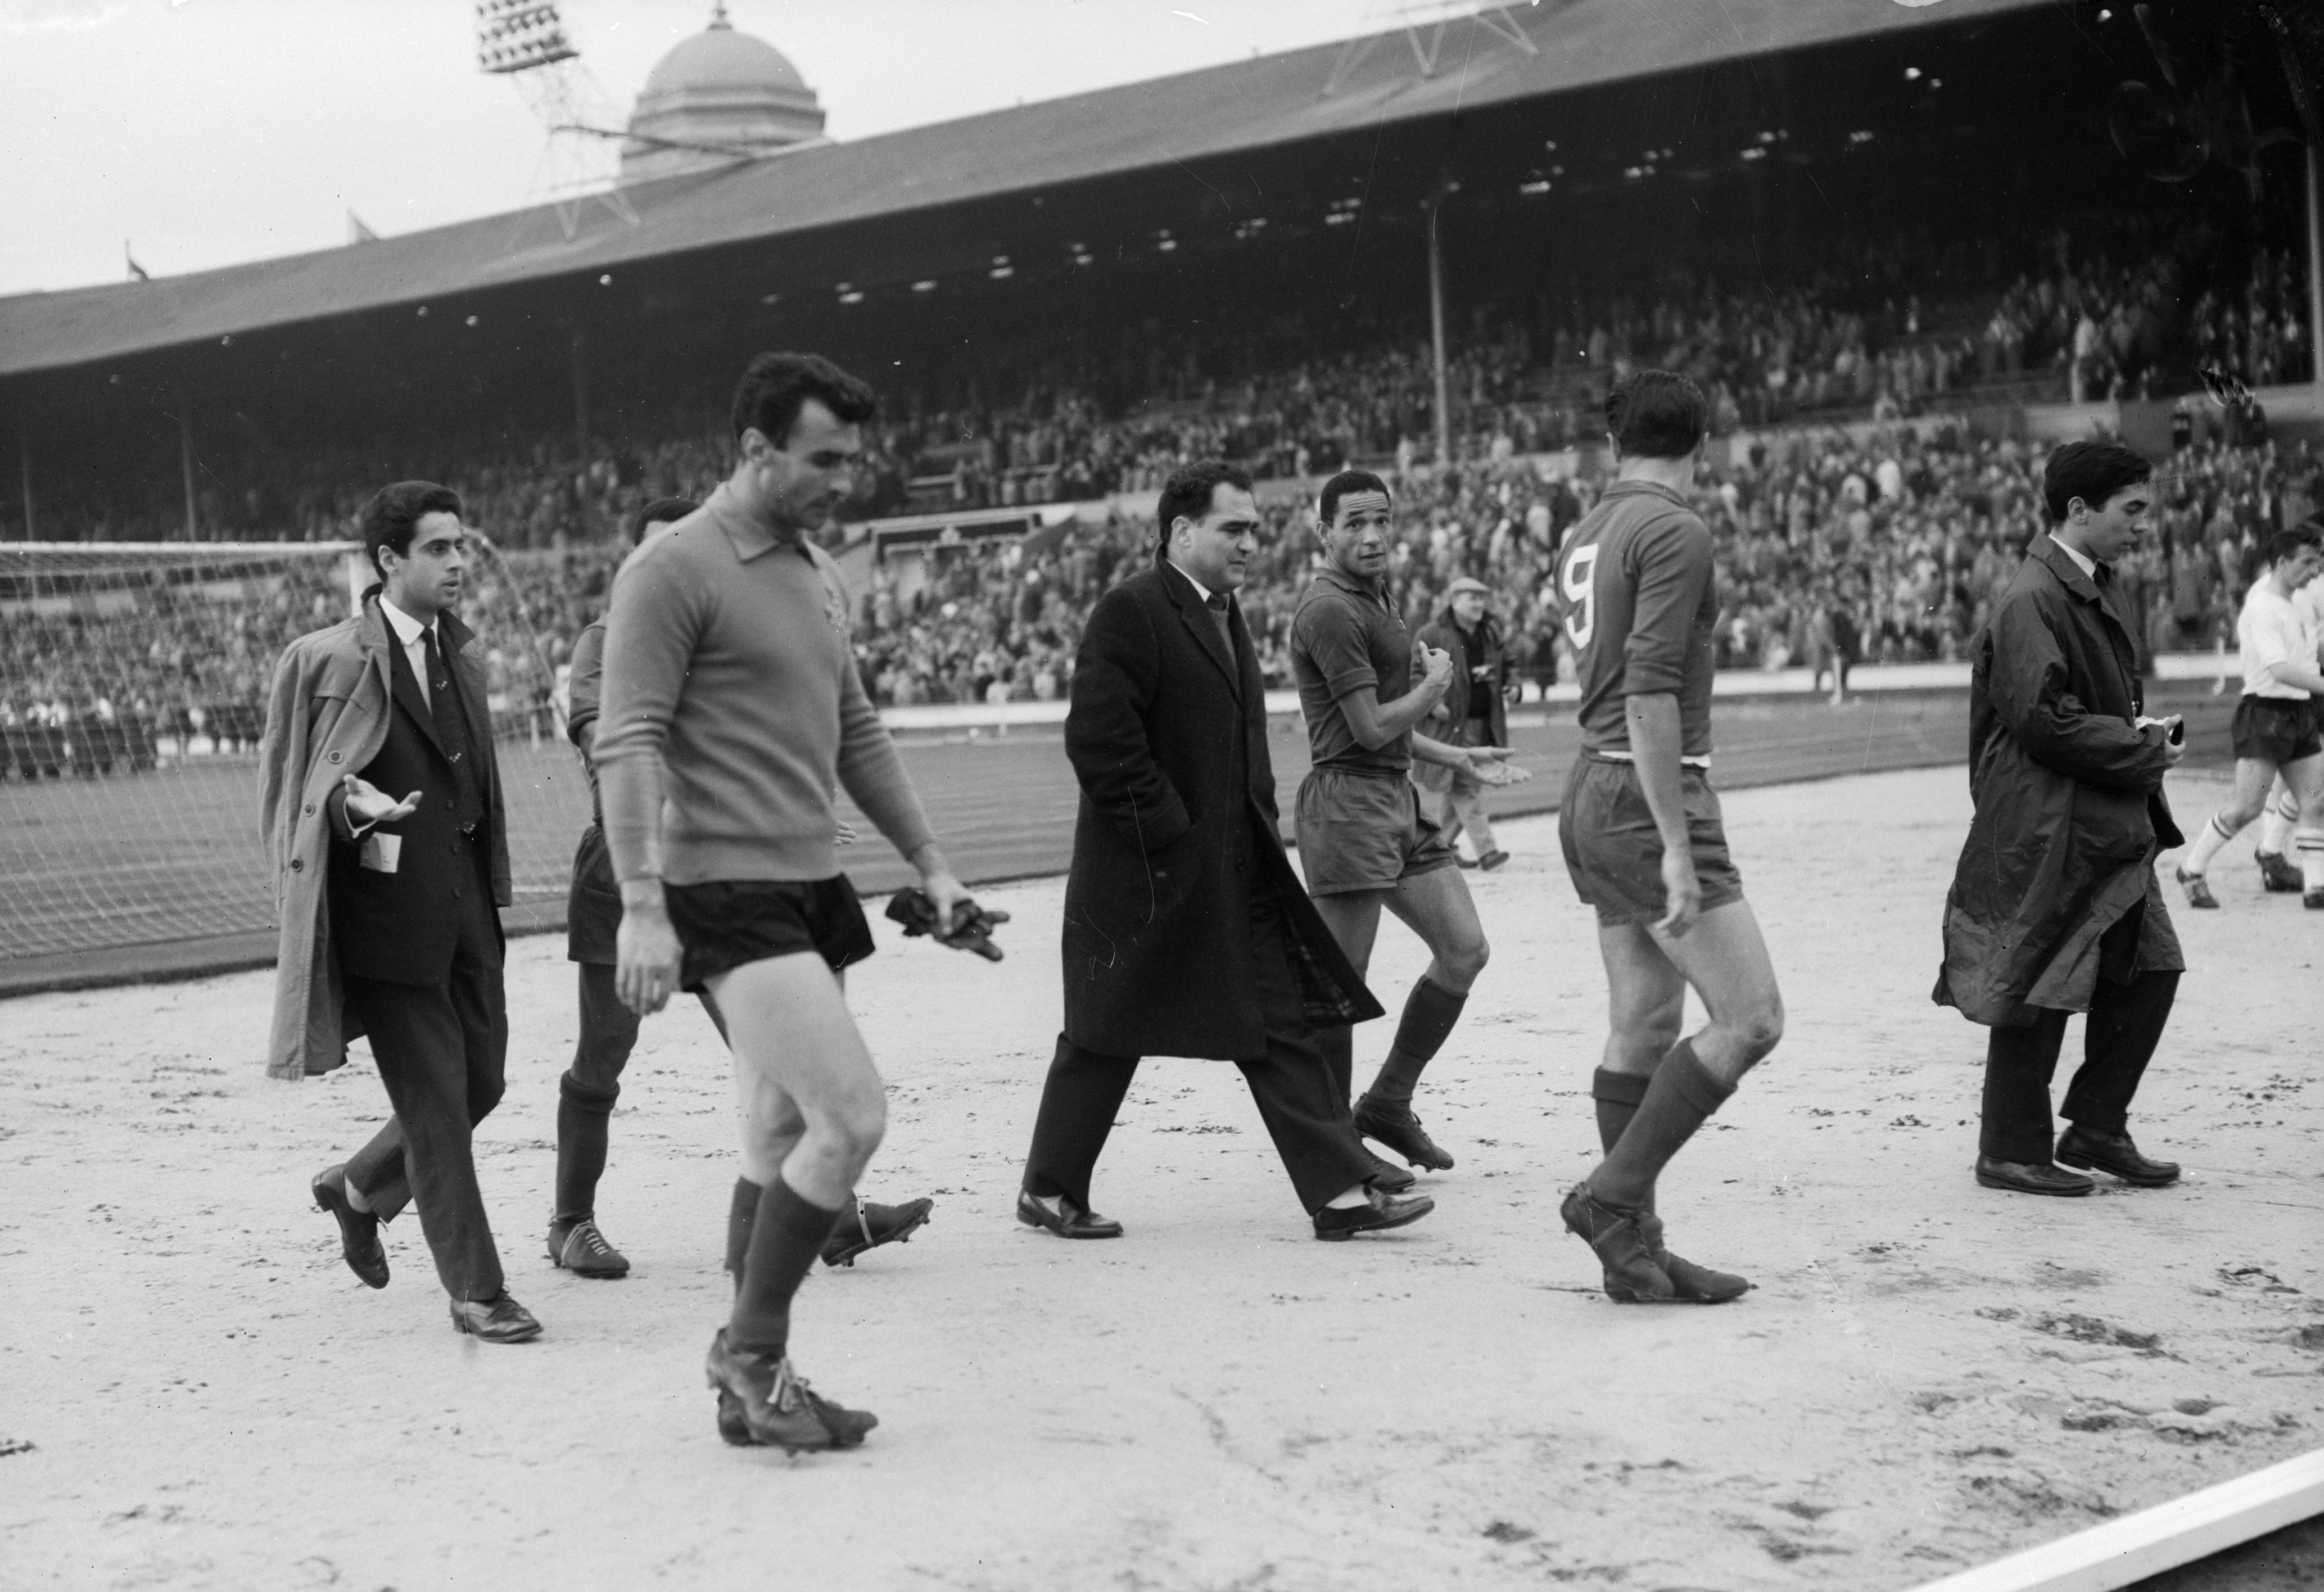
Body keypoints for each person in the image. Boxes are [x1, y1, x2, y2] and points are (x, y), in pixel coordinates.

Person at [595, 352, 979, 1451]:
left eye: (854, 460)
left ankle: (756, 1383)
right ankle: (749, 1354)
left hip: (813, 883)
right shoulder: (673, 568)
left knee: (772, 1132)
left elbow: (854, 730)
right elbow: (627, 740)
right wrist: (638, 903)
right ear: (756, 449)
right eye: (824, 460)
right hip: (724, 887)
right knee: (850, 1118)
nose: (845, 480)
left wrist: (932, 865)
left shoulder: (815, 567)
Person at [1018, 460, 1435, 1243]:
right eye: (1233, 529)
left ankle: (1341, 1191)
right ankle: (1047, 1191)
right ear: (1181, 532)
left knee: (1274, 1019)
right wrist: (1173, 836)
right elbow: (1100, 743)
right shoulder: (1131, 610)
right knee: (1104, 1031)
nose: (1251, 542)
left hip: (1227, 869)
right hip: (1151, 876)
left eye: (1253, 528)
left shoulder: (1221, 611)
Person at [551, 496, 935, 1286]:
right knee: (602, 1059)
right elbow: (615, 745)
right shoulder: (605, 643)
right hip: (628, 878)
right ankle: (570, 1222)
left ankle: (830, 1219)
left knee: (779, 1069)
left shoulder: (728, 623)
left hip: (723, 871)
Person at [262, 481, 540, 1344]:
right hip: (385, 920)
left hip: (466, 917)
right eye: (437, 549)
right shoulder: (329, 659)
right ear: (388, 561)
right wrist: (356, 809)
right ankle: (476, 1291)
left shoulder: (465, 653)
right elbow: (301, 795)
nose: (458, 562)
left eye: (460, 546)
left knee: (481, 1083)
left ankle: (357, 1189)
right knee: (434, 1108)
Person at [1550, 371, 1783, 1304]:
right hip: (1647, 793)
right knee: (1749, 1018)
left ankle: (1632, 1247)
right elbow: (1647, 689)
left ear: (1614, 444)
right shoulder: (1673, 526)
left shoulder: (1589, 526)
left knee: (1643, 1024)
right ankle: (1608, 1202)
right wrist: (1675, 840)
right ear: (1703, 441)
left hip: (1590, 787)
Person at [1935, 439, 2187, 1196]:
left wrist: (2133, 740)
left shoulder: (2081, 585)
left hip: (2092, 815)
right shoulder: (2032, 597)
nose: (2143, 525)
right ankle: (2009, 1149)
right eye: (2131, 510)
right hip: (2050, 823)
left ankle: (2096, 1127)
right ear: (2078, 512)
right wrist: (2137, 746)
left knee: (2148, 969)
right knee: (2040, 976)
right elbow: (2042, 718)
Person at [1289, 471, 1514, 1180]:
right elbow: (1366, 726)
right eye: (1354, 523)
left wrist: (1459, 754)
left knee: (1465, 950)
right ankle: (1334, 1157)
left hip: (1394, 796)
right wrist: (1435, 688)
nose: (1373, 535)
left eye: (1382, 520)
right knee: (1341, 986)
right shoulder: (1329, 609)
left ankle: (1386, 1103)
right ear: (1323, 532)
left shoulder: (1374, 597)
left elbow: (1394, 734)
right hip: (1349, 805)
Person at [2174, 522, 2324, 910]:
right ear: (2282, 562)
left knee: (2315, 799)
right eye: (2308, 562)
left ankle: (2316, 887)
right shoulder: (2262, 607)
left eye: (2319, 561)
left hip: (2298, 712)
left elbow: (2303, 662)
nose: (2315, 570)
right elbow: (2278, 669)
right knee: (2247, 809)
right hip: (2266, 714)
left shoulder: (2295, 605)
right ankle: (2192, 868)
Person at [1414, 575, 1519, 871]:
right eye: (1472, 598)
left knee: (1460, 786)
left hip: (1485, 723)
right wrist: (1432, 703)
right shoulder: (1432, 633)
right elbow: (1414, 673)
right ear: (1454, 600)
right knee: (1465, 786)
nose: (1479, 604)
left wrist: (1514, 686)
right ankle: (1488, 851)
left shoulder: (1491, 633)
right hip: (1452, 727)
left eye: (1482, 598)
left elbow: (1510, 666)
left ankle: (1440, 848)